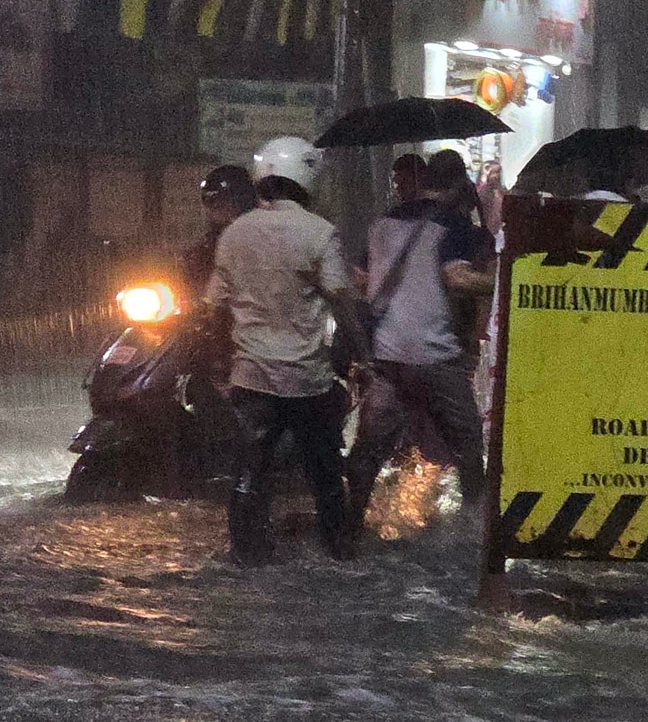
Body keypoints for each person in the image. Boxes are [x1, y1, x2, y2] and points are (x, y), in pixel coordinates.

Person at [205, 173, 360, 564]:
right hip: (306, 378)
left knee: (249, 470)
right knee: (323, 469)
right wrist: (362, 351)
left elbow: (213, 303)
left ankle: (246, 552)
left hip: (252, 375)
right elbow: (341, 296)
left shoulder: (236, 233)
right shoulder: (320, 232)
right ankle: (338, 548)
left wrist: (220, 360)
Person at [344, 160, 496, 539]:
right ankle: (474, 534)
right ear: (459, 186)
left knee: (369, 452)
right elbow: (458, 277)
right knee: (468, 444)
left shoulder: (382, 224)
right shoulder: (451, 225)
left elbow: (361, 278)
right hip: (434, 355)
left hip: (389, 357)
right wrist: (500, 275)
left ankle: (348, 530)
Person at [182, 166, 260, 295]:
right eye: (211, 203)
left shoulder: (256, 239)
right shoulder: (203, 249)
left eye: (222, 202)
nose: (215, 209)